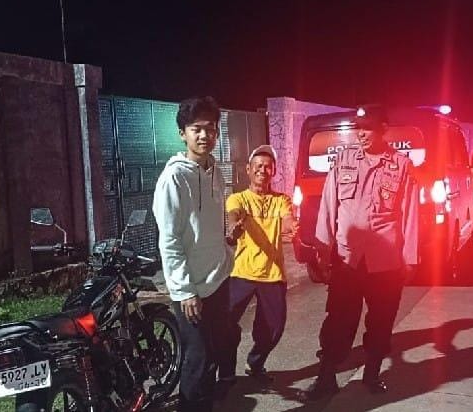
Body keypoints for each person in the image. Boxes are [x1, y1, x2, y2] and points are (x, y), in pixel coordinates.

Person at [304, 104, 421, 401]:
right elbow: (329, 205)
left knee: (381, 321)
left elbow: (410, 214)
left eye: (368, 128)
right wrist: (322, 247)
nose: (361, 134)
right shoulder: (343, 160)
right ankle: (326, 377)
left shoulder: (401, 166)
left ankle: (372, 374)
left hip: (385, 263)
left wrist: (409, 259)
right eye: (358, 128)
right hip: (347, 259)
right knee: (338, 320)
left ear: (383, 129)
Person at [152, 96, 234, 412]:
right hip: (192, 289)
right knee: (196, 362)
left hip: (218, 281)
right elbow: (169, 240)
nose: (204, 136)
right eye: (196, 129)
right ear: (182, 134)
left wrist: (227, 256)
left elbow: (214, 224)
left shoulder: (216, 172)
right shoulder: (174, 178)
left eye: (210, 129)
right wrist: (185, 291)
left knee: (213, 355)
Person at [218, 145, 297, 385]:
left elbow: (287, 219)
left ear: (274, 171)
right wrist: (234, 227)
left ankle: (255, 363)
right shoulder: (238, 198)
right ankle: (226, 373)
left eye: (268, 167)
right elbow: (233, 215)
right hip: (241, 272)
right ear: (248, 169)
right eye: (258, 166)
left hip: (273, 274)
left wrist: (292, 226)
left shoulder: (281, 200)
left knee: (274, 328)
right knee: (225, 323)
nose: (263, 170)